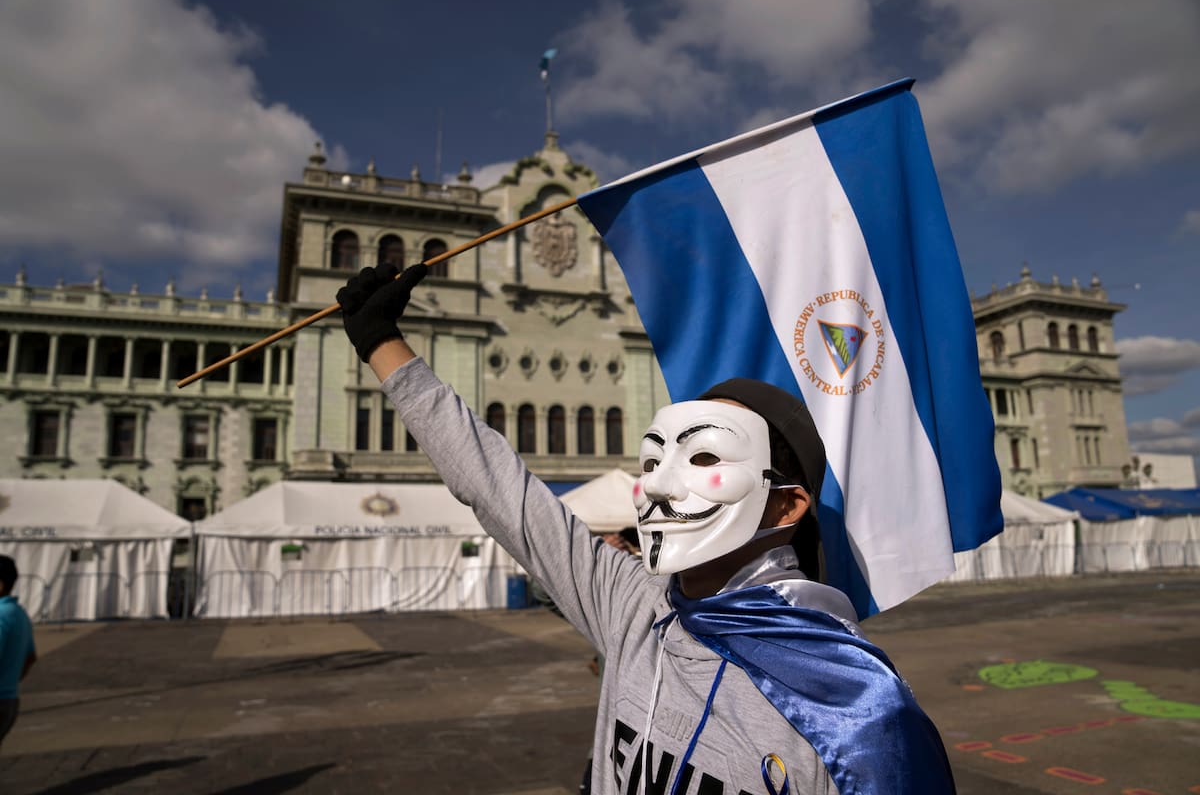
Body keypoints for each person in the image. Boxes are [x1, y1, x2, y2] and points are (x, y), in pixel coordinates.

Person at [338, 263, 955, 794]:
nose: (656, 486)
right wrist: (382, 344)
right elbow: (499, 488)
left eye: (705, 459)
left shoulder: (858, 710)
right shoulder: (635, 607)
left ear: (786, 507)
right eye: (653, 461)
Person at [0, 555, 37, 748]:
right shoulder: (19, 614)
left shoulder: (1, 616)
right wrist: (9, 681)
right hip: (9, 700)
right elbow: (30, 658)